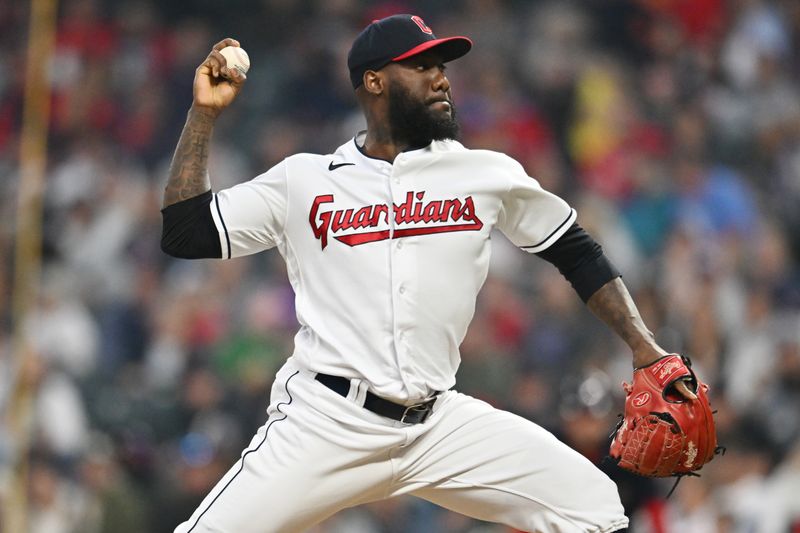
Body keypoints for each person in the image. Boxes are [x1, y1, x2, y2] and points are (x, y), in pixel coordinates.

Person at [161, 14, 694, 533]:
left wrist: (645, 347)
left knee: (594, 506)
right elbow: (185, 232)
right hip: (326, 422)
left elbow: (576, 251)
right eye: (420, 66)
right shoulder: (304, 180)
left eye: (441, 64)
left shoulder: (484, 172)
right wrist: (202, 116)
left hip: (438, 424)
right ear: (374, 81)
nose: (440, 76)